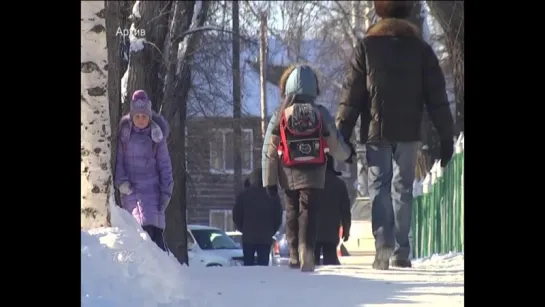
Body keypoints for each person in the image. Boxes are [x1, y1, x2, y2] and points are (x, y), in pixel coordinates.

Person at [335, 1, 455, 270]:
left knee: (379, 187)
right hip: (410, 131)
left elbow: (351, 96)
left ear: (379, 12)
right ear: (407, 11)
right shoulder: (421, 50)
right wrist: (446, 136)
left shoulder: (366, 48)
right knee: (403, 188)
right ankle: (402, 249)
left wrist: (341, 134)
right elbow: (437, 97)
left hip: (376, 131)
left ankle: (383, 244)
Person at [262, 64, 353, 272]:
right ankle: (307, 250)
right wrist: (347, 156)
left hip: (289, 170)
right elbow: (334, 143)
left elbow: (270, 149)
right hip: (315, 171)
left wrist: (269, 181)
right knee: (309, 211)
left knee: (292, 210)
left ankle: (293, 254)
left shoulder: (281, 115)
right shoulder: (320, 114)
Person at [114, 90, 173, 252]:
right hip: (131, 191)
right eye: (137, 116)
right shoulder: (125, 136)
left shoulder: (156, 137)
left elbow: (165, 166)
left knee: (153, 230)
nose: (141, 120)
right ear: (132, 117)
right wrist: (121, 182)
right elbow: (120, 162)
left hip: (152, 191)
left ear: (149, 117)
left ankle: (164, 269)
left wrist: (166, 191)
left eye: (144, 117)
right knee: (137, 233)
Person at [232, 168, 283, 266]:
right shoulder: (272, 196)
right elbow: (278, 216)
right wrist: (271, 230)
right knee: (263, 265)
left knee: (248, 265)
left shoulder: (244, 195)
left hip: (248, 236)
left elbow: (236, 215)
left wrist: (243, 229)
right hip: (265, 237)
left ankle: (248, 281)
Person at [315, 155, 351, 266]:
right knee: (330, 263)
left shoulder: (312, 183)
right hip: (331, 231)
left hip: (313, 231)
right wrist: (346, 230)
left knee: (312, 263)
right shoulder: (339, 184)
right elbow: (345, 210)